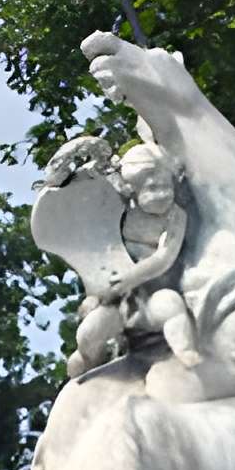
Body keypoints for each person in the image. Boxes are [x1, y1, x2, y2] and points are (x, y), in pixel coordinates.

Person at [66, 141, 200, 378]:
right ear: (133, 188)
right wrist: (96, 293)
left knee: (171, 306)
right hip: (120, 301)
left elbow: (164, 256)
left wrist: (132, 277)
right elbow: (103, 252)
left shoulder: (176, 216)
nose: (161, 193)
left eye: (165, 184)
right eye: (152, 186)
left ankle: (187, 355)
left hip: (154, 296)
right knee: (90, 332)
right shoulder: (121, 212)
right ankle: (86, 359)